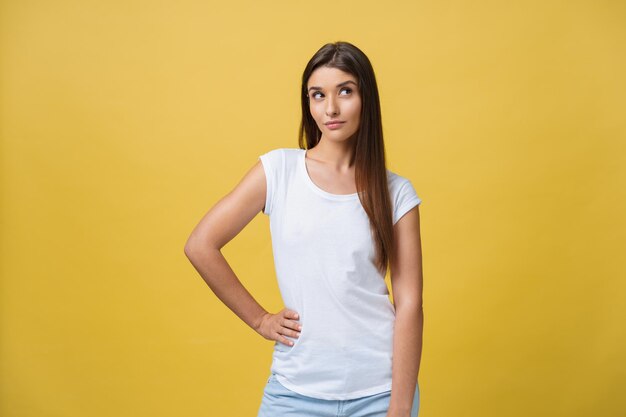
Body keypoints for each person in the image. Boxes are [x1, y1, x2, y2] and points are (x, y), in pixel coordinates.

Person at [184, 41, 423, 417]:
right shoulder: (278, 172)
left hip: (380, 393)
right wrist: (259, 318)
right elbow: (200, 245)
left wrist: (399, 407)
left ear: (366, 98)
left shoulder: (396, 193)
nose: (330, 108)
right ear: (308, 103)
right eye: (317, 95)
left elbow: (409, 305)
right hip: (295, 393)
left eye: (345, 91)